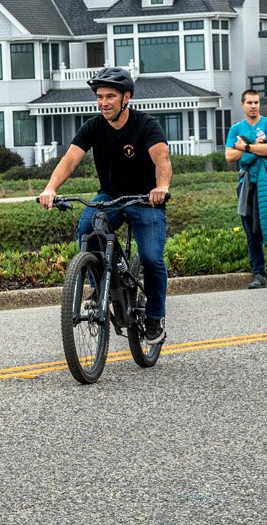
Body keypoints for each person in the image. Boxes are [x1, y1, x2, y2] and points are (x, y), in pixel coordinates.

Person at [35, 67, 172, 341]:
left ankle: (155, 317)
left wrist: (162, 187)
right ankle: (102, 287)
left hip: (145, 200)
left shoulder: (146, 125)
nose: (104, 102)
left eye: (110, 96)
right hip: (110, 196)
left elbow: (162, 160)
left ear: (126, 98)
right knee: (87, 229)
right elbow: (70, 160)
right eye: (99, 96)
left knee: (151, 259)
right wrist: (50, 188)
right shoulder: (94, 127)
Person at [225, 88, 267, 287]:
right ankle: (258, 275)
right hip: (246, 184)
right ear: (242, 105)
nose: (253, 106)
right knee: (251, 232)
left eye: (256, 102)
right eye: (249, 103)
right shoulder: (236, 129)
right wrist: (257, 147)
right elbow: (229, 156)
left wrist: (245, 147)